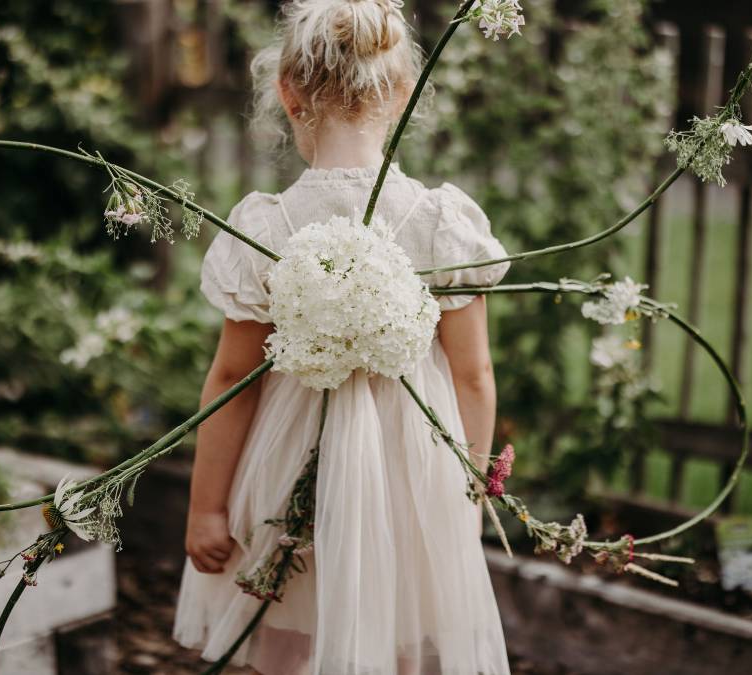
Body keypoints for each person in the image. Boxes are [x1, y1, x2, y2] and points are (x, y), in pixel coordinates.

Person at [172, 1, 512, 672]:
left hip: (286, 464)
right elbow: (473, 375)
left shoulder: (265, 228)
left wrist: (207, 509)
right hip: (413, 475)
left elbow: (231, 383)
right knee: (403, 628)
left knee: (288, 627)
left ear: (287, 92)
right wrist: (465, 492)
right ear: (404, 92)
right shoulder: (441, 223)